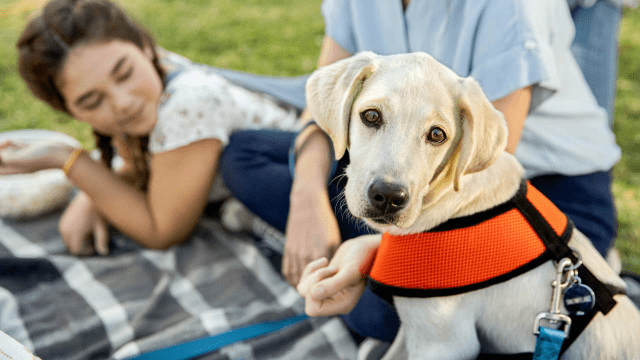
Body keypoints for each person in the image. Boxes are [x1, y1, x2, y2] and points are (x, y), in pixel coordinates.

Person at [220, 0, 622, 342]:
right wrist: (305, 200)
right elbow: (322, 105)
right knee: (244, 154)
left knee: (381, 317)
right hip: (396, 173)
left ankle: (349, 253)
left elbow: (487, 168)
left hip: (531, 193)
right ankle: (339, 243)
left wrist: (367, 250)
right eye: (370, 116)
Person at [0, 0, 300, 255]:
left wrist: (65, 158)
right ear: (68, 110)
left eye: (124, 73)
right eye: (92, 101)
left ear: (146, 47)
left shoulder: (188, 104)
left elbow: (162, 231)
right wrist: (90, 198)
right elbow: (132, 164)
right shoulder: (148, 80)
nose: (122, 102)